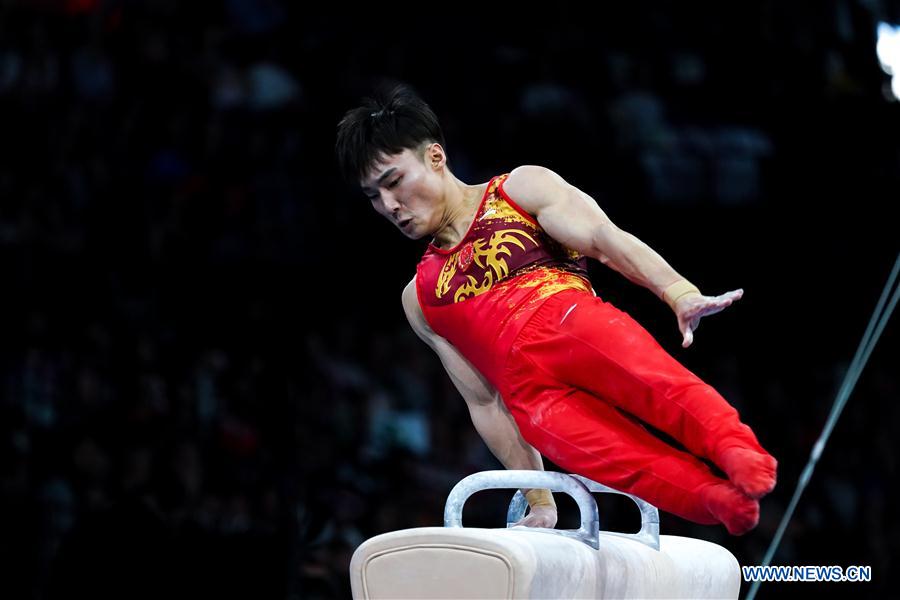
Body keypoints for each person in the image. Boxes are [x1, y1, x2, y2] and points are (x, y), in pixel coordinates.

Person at [334, 82, 777, 535]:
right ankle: (719, 502)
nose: (389, 205)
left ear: (435, 157)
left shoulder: (519, 191)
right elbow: (486, 402)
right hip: (537, 403)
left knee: (662, 391)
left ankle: (738, 453)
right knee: (631, 466)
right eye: (373, 196)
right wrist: (539, 498)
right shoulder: (421, 296)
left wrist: (677, 291)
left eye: (393, 182)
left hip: (572, 326)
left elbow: (605, 239)